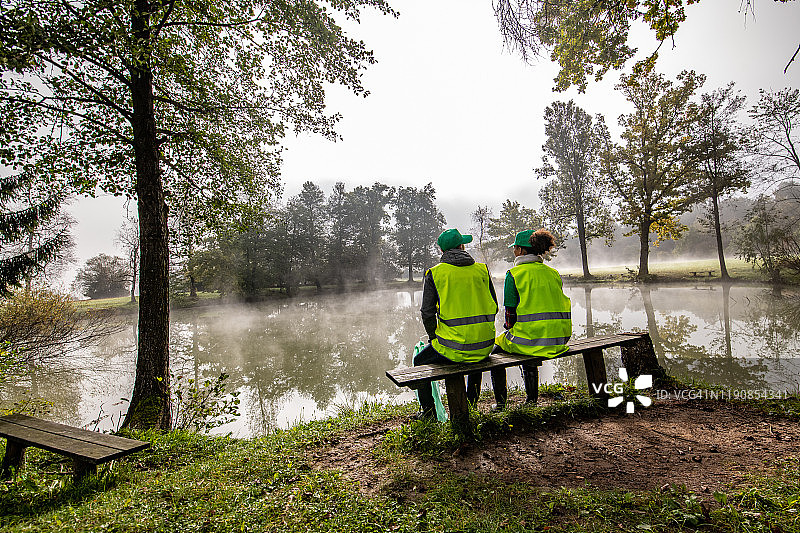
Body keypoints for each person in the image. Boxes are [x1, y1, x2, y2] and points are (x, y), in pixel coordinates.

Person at [414, 228, 499, 420]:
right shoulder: (482, 269)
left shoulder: (435, 274)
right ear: (462, 247)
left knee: (419, 361)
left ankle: (428, 414)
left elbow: (427, 313)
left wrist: (433, 337)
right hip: (485, 345)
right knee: (474, 358)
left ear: (442, 251)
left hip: (453, 348)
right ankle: (472, 403)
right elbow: (494, 307)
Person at [490, 229, 572, 410]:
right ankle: (531, 400)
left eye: (515, 248)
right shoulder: (553, 273)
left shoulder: (514, 274)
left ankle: (501, 404)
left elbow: (510, 314)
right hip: (558, 339)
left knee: (494, 354)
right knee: (528, 344)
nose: (513, 252)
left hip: (532, 340)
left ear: (520, 250)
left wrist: (509, 328)